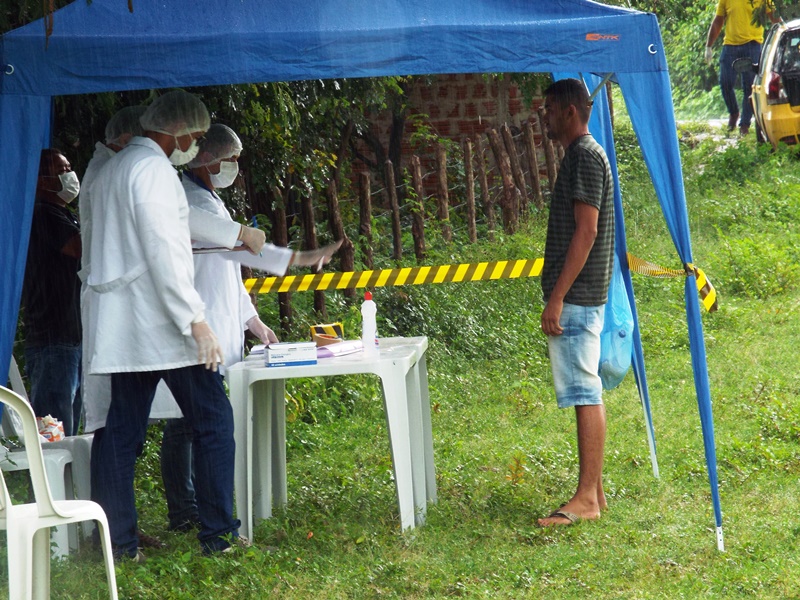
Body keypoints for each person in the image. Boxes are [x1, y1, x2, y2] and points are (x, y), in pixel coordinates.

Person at [152, 124, 342, 532]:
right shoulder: (187, 200)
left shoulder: (208, 199)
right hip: (194, 325)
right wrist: (300, 259)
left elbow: (230, 268)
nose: (235, 167)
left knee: (191, 422)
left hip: (218, 323)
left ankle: (195, 509)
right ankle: (186, 511)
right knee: (186, 423)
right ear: (210, 159)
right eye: (232, 160)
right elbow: (239, 247)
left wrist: (252, 320)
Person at [85, 89, 241, 559]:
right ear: (182, 132)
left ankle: (119, 543)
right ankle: (218, 535)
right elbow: (165, 251)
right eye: (195, 137)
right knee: (214, 420)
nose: (194, 147)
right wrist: (197, 321)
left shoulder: (117, 168)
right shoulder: (153, 171)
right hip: (162, 325)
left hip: (124, 325)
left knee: (120, 432)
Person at [537, 78, 614, 527]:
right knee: (586, 390)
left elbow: (586, 231)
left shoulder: (584, 155)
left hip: (578, 297)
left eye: (548, 109)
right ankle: (595, 492)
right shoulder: (587, 154)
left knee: (586, 393)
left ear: (569, 111)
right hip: (584, 295)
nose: (544, 116)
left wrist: (558, 297)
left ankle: (586, 498)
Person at [21, 148, 83, 436]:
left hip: (69, 338)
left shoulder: (63, 214)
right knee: (53, 430)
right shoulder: (43, 214)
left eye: (69, 167)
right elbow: (79, 249)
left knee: (69, 428)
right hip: (53, 338)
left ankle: (69, 483)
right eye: (61, 169)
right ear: (41, 180)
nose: (70, 174)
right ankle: (47, 479)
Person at [705, 0, 775, 135]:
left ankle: (745, 124)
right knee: (725, 82)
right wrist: (709, 45)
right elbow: (718, 20)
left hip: (752, 45)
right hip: (730, 45)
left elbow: (774, 16)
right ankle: (733, 113)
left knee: (749, 87)